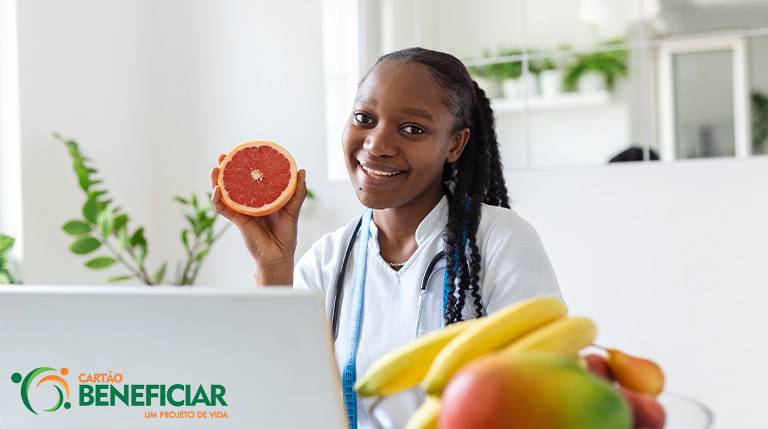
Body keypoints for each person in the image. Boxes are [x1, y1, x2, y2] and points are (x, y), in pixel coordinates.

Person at [210, 47, 562, 428]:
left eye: (412, 129)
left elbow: (543, 393)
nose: (376, 145)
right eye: (364, 118)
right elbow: (278, 395)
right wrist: (273, 265)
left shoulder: (499, 240)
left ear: (455, 144)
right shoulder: (327, 260)